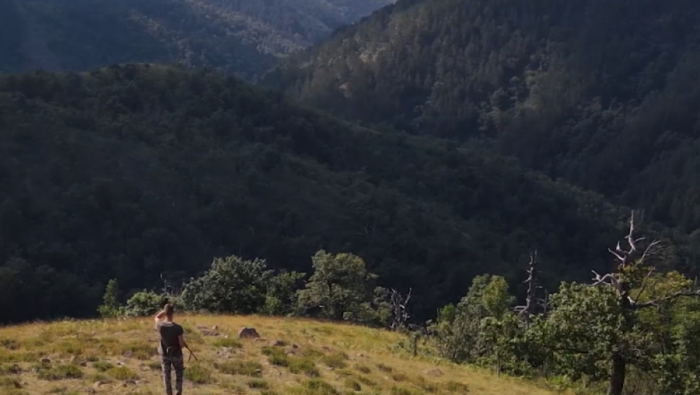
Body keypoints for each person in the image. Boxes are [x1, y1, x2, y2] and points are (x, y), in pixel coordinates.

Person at [154, 302, 187, 395]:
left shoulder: (160, 325)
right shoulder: (178, 328)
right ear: (173, 313)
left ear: (166, 312)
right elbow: (181, 345)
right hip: (176, 354)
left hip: (165, 354)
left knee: (166, 376)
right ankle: (178, 393)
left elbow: (156, 317)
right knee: (179, 374)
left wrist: (164, 312)